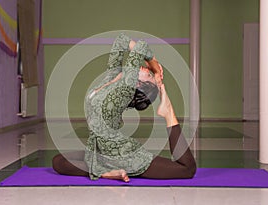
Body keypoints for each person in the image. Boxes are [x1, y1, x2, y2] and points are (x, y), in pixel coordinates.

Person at [52, 34, 196, 182]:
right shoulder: (112, 76)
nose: (147, 69)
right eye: (150, 71)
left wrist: (154, 65)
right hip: (98, 149)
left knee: (187, 169)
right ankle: (105, 172)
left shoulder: (126, 89)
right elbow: (120, 40)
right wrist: (153, 68)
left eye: (149, 75)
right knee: (58, 161)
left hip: (120, 153)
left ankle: (168, 110)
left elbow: (140, 47)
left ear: (140, 85)